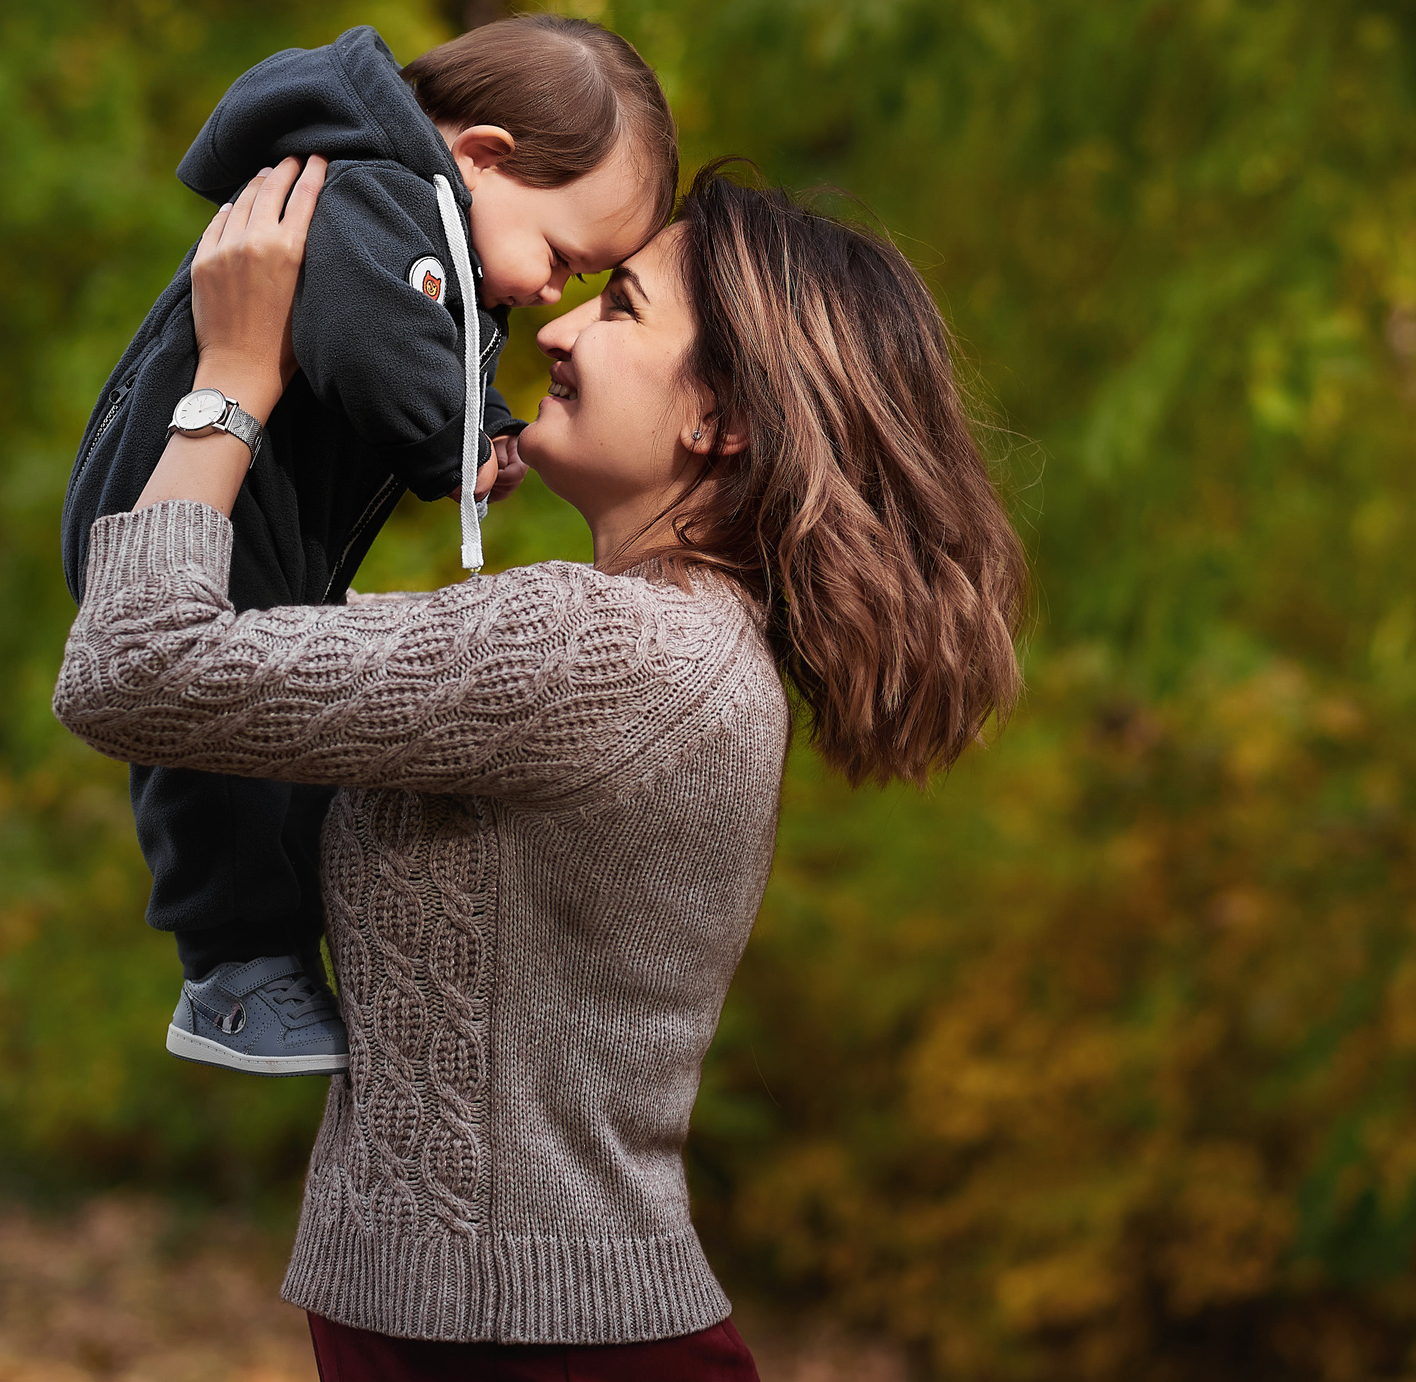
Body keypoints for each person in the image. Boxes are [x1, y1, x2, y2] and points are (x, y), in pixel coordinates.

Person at [54, 155, 1027, 1375]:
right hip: (495, 1328)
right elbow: (230, 664)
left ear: (717, 418)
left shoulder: (601, 647)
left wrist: (233, 376)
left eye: (619, 304)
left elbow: (132, 666)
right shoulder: (650, 643)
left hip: (535, 1347)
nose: (557, 323)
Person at [60, 18, 678, 1079]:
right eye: (562, 258)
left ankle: (255, 960)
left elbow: (398, 338)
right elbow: (371, 341)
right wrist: (457, 438)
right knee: (213, 749)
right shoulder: (374, 201)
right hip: (192, 503)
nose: (548, 296)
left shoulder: (410, 216)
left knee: (259, 733)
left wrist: (475, 420)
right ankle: (236, 968)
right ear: (480, 156)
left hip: (246, 503)